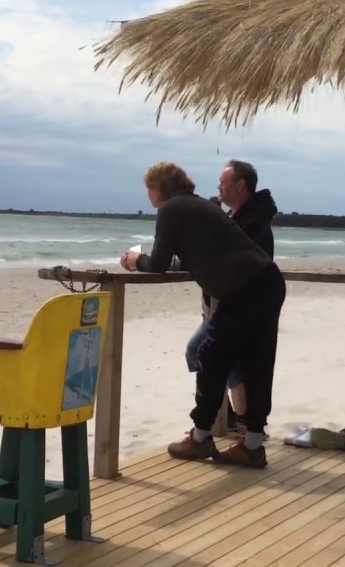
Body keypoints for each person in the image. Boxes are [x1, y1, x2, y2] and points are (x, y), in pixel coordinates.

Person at [120, 161, 286, 469]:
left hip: (244, 289)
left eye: (148, 188)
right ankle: (251, 444)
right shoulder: (197, 206)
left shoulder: (171, 210)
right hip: (268, 281)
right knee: (256, 363)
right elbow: (198, 254)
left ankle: (200, 438)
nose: (148, 195)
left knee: (210, 356)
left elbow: (156, 263)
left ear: (158, 189)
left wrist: (135, 259)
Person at [184, 160, 278, 436]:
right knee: (228, 363)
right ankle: (241, 423)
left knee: (201, 352)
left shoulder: (253, 224)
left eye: (223, 183)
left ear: (241, 185)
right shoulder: (240, 220)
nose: (219, 188)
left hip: (239, 308)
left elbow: (230, 263)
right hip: (229, 306)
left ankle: (234, 422)